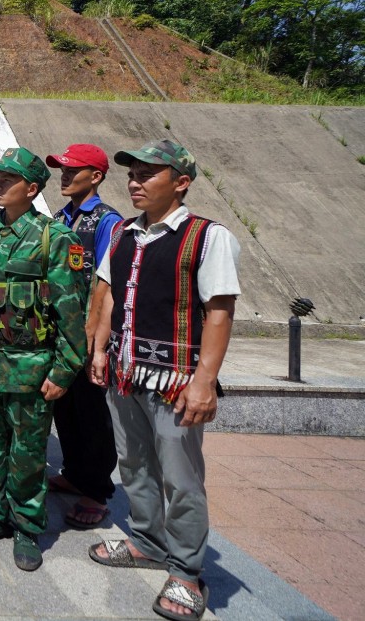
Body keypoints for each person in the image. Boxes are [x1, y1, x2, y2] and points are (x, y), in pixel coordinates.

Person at [87, 140, 240, 621]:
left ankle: (188, 570)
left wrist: (204, 381)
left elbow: (219, 311)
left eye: (148, 173)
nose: (135, 180)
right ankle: (148, 541)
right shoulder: (123, 234)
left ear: (181, 181)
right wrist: (99, 349)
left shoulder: (206, 237)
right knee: (133, 464)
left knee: (181, 477)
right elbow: (109, 296)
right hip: (125, 373)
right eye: (132, 173)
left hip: (176, 380)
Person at [0, 147, 86, 572]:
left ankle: (27, 525)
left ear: (31, 188)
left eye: (9, 179)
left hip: (29, 365)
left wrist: (65, 370)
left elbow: (71, 312)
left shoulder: (56, 238)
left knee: (27, 452)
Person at [44, 144, 123, 529]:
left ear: (95, 176)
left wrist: (94, 339)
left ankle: (97, 489)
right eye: (61, 168)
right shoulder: (61, 217)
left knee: (92, 413)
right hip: (59, 334)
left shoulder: (109, 221)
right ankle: (74, 472)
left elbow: (105, 284)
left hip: (87, 335)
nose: (63, 174)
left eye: (72, 169)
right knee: (65, 407)